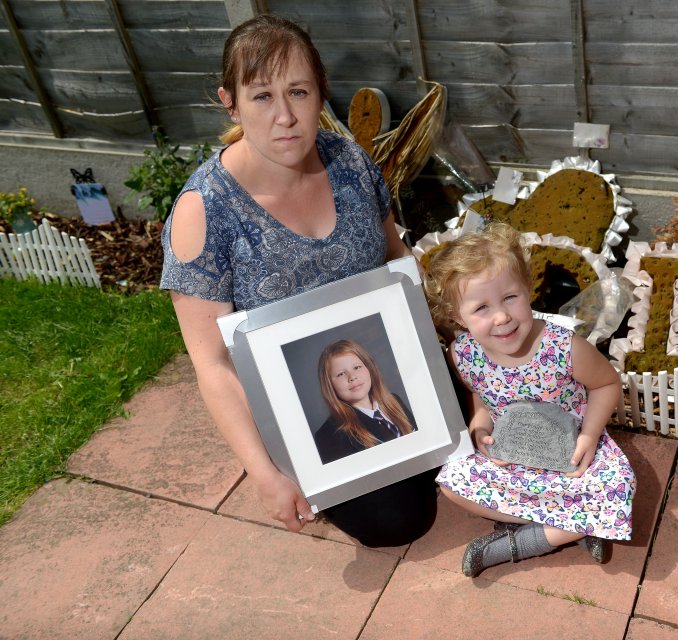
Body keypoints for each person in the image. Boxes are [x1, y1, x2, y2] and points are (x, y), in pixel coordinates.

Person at [159, 14, 437, 547]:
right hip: (305, 409)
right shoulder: (204, 212)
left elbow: (397, 260)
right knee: (396, 523)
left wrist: (443, 364)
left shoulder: (350, 162)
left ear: (320, 93)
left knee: (493, 425)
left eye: (298, 92)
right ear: (230, 102)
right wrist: (266, 474)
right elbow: (213, 365)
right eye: (262, 96)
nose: (285, 116)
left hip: (382, 369)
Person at [423, 222, 636, 577]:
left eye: (510, 298)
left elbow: (606, 385)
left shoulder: (564, 347)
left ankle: (520, 543)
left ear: (527, 290)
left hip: (572, 455)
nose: (502, 316)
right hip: (511, 456)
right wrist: (479, 427)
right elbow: (477, 393)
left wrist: (589, 435)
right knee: (451, 484)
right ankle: (576, 525)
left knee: (619, 485)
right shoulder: (463, 354)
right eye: (482, 308)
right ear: (457, 318)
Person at [314, 339, 417, 464]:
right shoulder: (329, 435)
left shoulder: (395, 401)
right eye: (341, 374)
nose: (352, 377)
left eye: (357, 367)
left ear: (369, 368)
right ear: (329, 385)